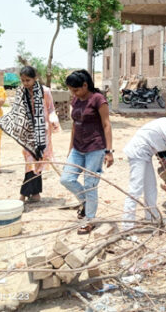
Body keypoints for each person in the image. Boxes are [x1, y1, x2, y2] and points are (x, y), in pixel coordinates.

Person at [0, 66, 60, 202]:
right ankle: (27, 194)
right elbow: (15, 112)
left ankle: (32, 194)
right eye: (23, 80)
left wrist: (53, 119)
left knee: (38, 160)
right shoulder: (20, 92)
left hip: (42, 131)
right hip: (27, 132)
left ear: (35, 78)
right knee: (29, 161)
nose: (25, 83)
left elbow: (51, 109)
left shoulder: (45, 91)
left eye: (28, 80)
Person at [60, 70, 113, 235]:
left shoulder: (98, 99)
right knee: (66, 178)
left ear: (85, 85)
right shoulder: (76, 99)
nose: (73, 93)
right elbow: (74, 125)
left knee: (90, 185)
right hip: (77, 147)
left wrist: (109, 151)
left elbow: (106, 125)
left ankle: (89, 219)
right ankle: (85, 202)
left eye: (76, 90)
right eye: (71, 90)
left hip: (95, 148)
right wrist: (70, 148)